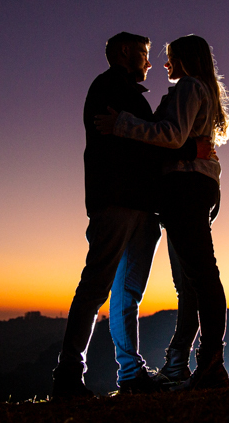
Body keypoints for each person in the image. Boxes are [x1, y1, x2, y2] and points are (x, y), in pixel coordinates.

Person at [52, 32, 204, 397]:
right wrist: (190, 145)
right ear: (125, 52)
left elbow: (148, 140)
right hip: (118, 205)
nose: (150, 64)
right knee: (98, 287)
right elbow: (143, 143)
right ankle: (70, 374)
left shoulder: (126, 95)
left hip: (139, 207)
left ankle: (130, 374)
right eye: (144, 55)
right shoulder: (108, 89)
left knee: (125, 293)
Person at [95, 34, 229, 390]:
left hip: (186, 189)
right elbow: (182, 140)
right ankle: (184, 364)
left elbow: (170, 135)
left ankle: (208, 367)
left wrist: (121, 124)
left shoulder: (189, 86)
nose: (164, 64)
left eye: (169, 57)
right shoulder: (201, 89)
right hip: (196, 188)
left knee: (199, 277)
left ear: (185, 59)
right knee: (192, 280)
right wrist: (192, 148)